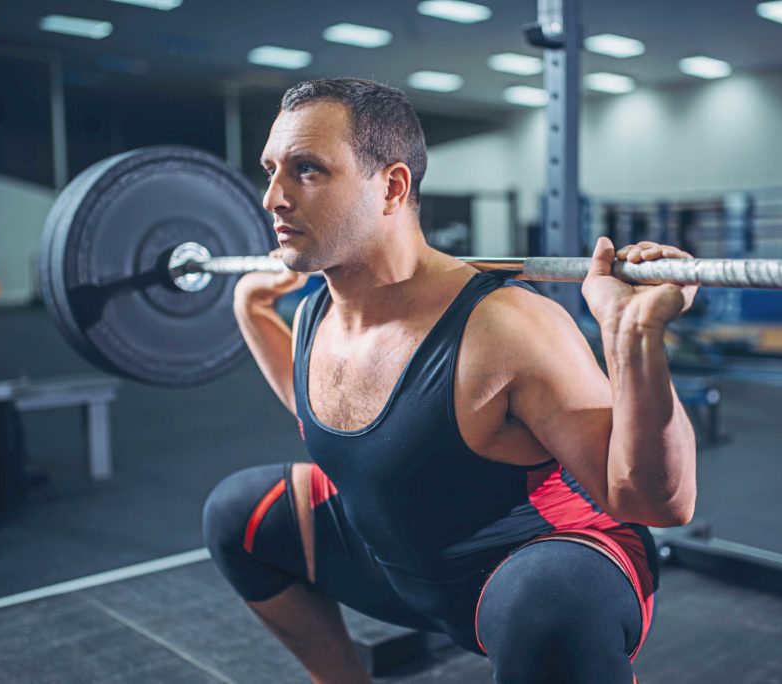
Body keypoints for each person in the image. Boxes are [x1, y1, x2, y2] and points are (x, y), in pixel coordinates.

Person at [203, 78, 697, 684]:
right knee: (239, 514)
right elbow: (331, 424)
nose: (272, 197)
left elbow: (654, 503)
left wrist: (632, 341)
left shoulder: (506, 327)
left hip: (531, 579)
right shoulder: (313, 313)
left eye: (306, 170)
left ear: (391, 186)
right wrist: (250, 312)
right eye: (271, 170)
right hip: (397, 566)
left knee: (552, 606)